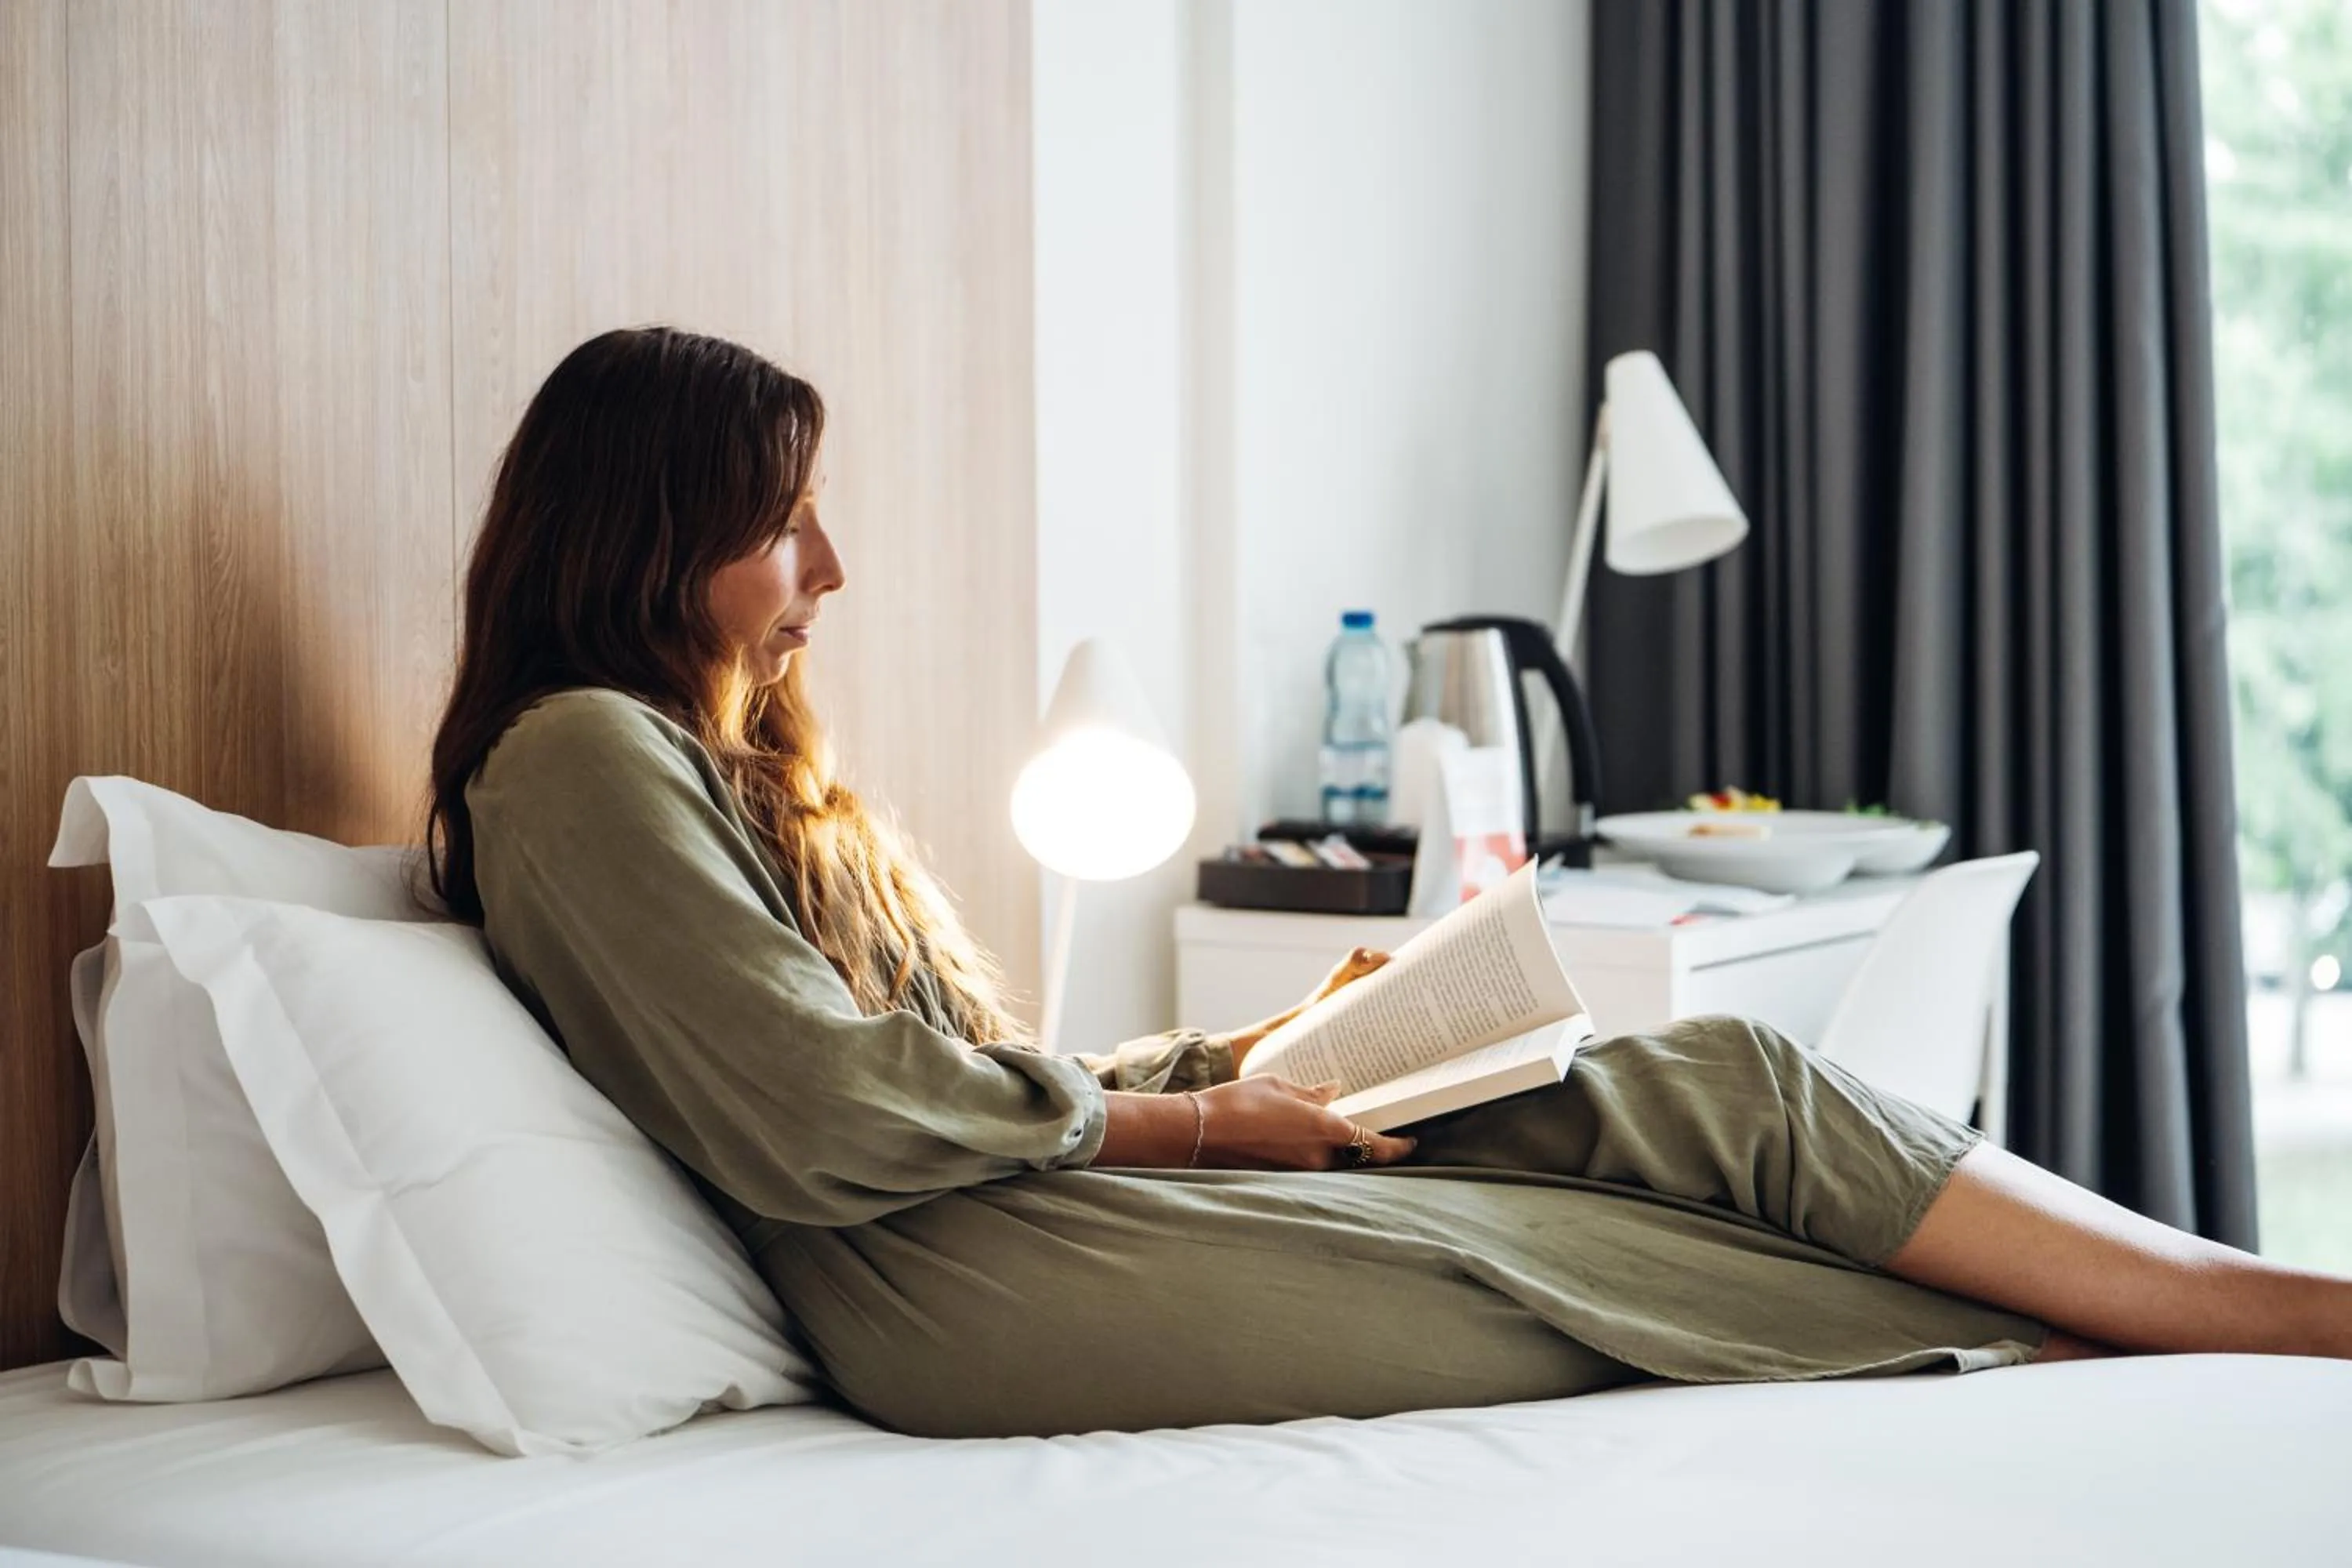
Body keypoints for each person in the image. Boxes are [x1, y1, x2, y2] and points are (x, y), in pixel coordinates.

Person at [426, 327, 2352, 1440]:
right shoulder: (577, 759)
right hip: (962, 1276)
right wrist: (1196, 1116)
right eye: (780, 524)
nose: (828, 570)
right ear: (647, 533)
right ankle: (2205, 1338)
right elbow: (820, 1110)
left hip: (1011, 1199)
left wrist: (1251, 1048)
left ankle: (2220, 1306)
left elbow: (952, 1067)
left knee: (1709, 1078)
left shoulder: (697, 763)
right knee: (1614, 1245)